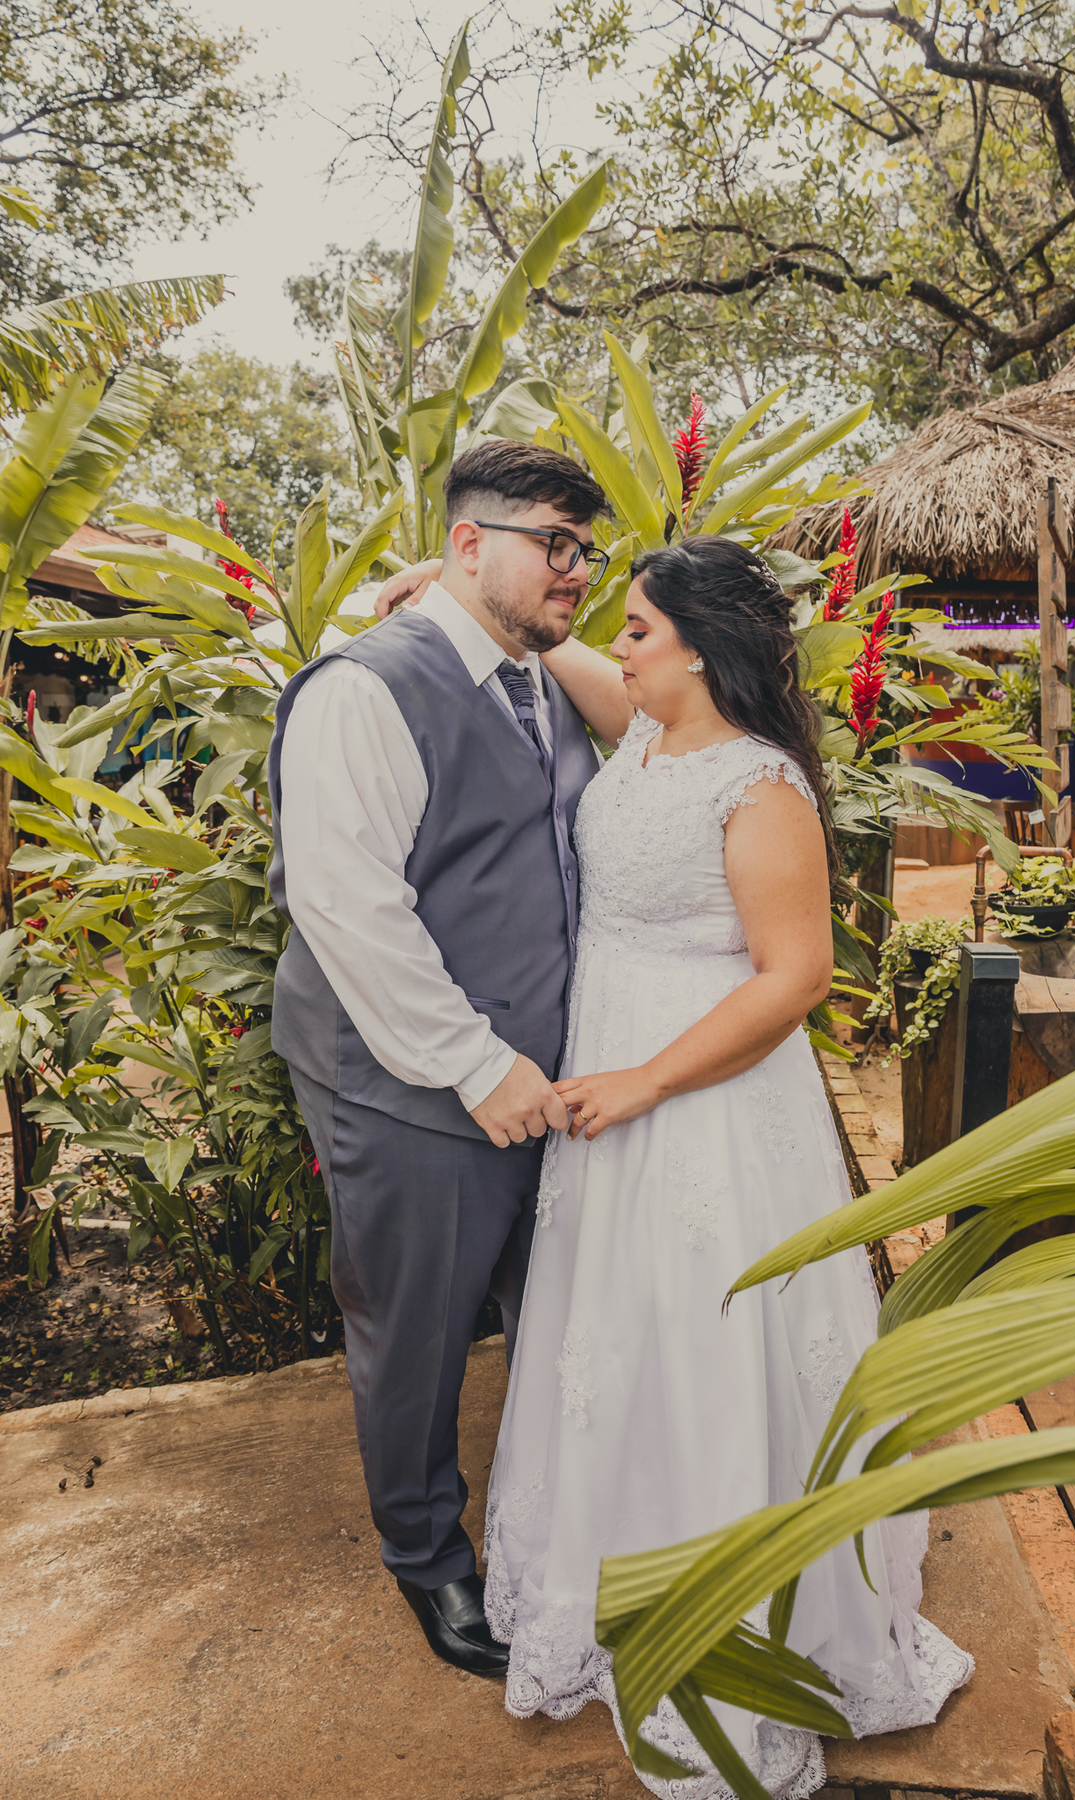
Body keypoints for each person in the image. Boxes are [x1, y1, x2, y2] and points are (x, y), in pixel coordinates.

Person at [480, 538, 973, 1797]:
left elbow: (795, 978)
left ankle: (739, 1618)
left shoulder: (760, 784)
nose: (620, 644)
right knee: (619, 1333)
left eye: (640, 627)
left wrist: (647, 1081)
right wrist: (446, 586)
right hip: (612, 1066)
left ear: (698, 649)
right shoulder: (647, 728)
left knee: (707, 1332)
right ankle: (618, 1578)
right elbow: (569, 655)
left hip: (701, 1096)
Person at [266, 439, 610, 1677]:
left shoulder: (545, 682)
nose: (577, 570)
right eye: (553, 543)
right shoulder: (364, 688)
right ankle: (425, 1556)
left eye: (587, 550)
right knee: (414, 1331)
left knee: (550, 1315)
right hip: (407, 1081)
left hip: (542, 1082)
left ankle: (542, 1527)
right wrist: (476, 1065)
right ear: (469, 544)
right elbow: (347, 905)